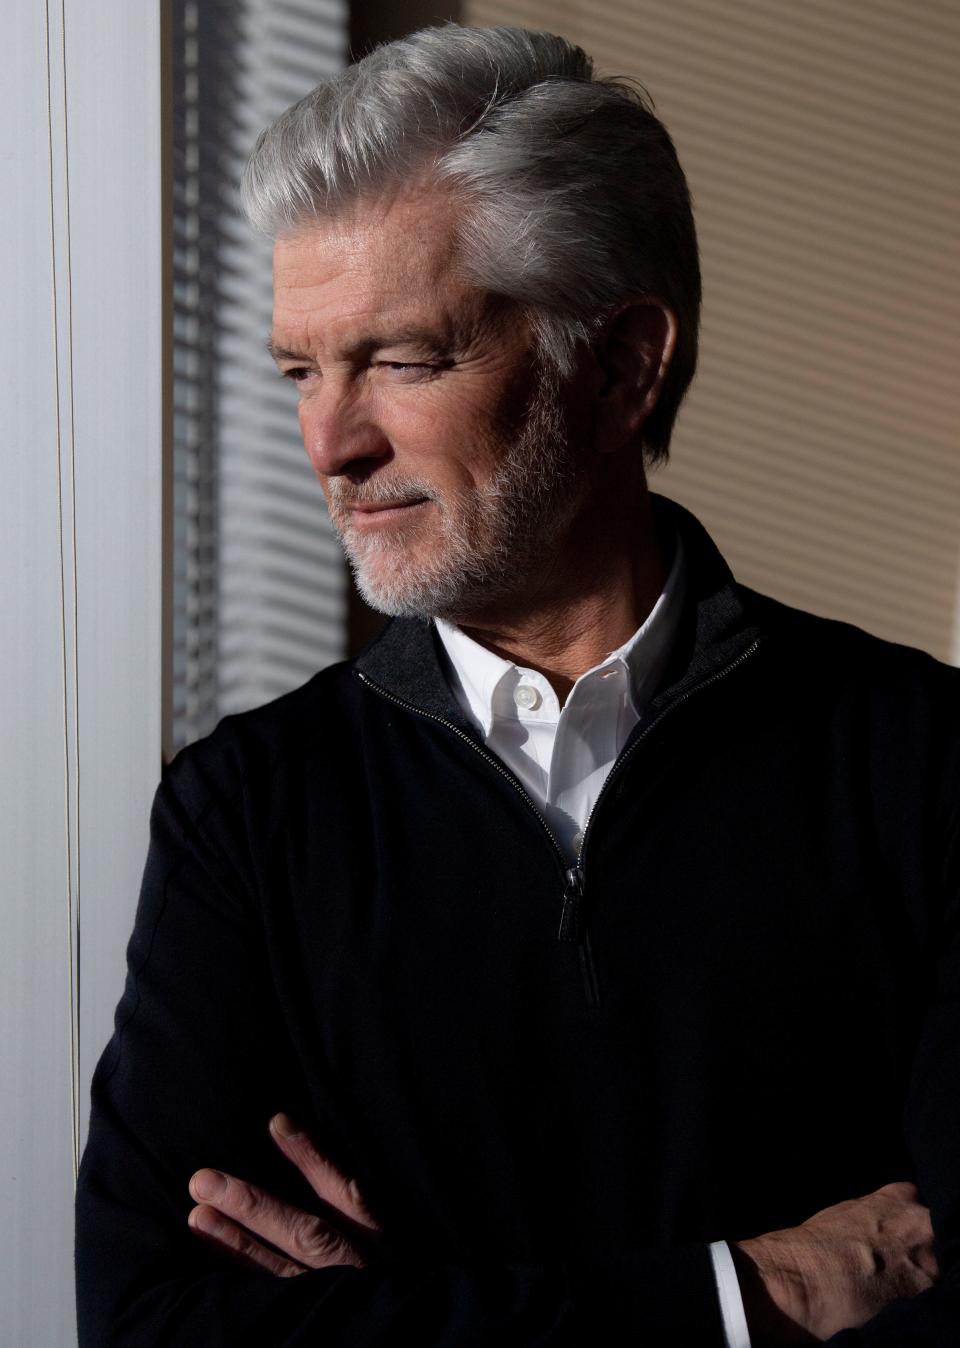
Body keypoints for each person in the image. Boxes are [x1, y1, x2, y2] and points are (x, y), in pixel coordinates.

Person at [75, 23, 960, 1346]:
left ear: (619, 366)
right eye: (302, 370)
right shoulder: (244, 819)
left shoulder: (927, 764)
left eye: (405, 357)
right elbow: (154, 1327)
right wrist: (750, 1293)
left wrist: (401, 1312)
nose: (332, 443)